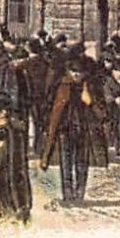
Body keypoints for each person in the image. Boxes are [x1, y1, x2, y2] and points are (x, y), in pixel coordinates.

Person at [40, 58, 98, 205]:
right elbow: (54, 108)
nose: (77, 75)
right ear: (69, 71)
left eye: (79, 73)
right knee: (66, 164)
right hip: (65, 130)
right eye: (74, 72)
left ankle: (79, 195)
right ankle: (67, 195)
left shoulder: (88, 86)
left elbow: (98, 109)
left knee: (81, 164)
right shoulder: (62, 86)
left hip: (83, 129)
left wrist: (90, 101)